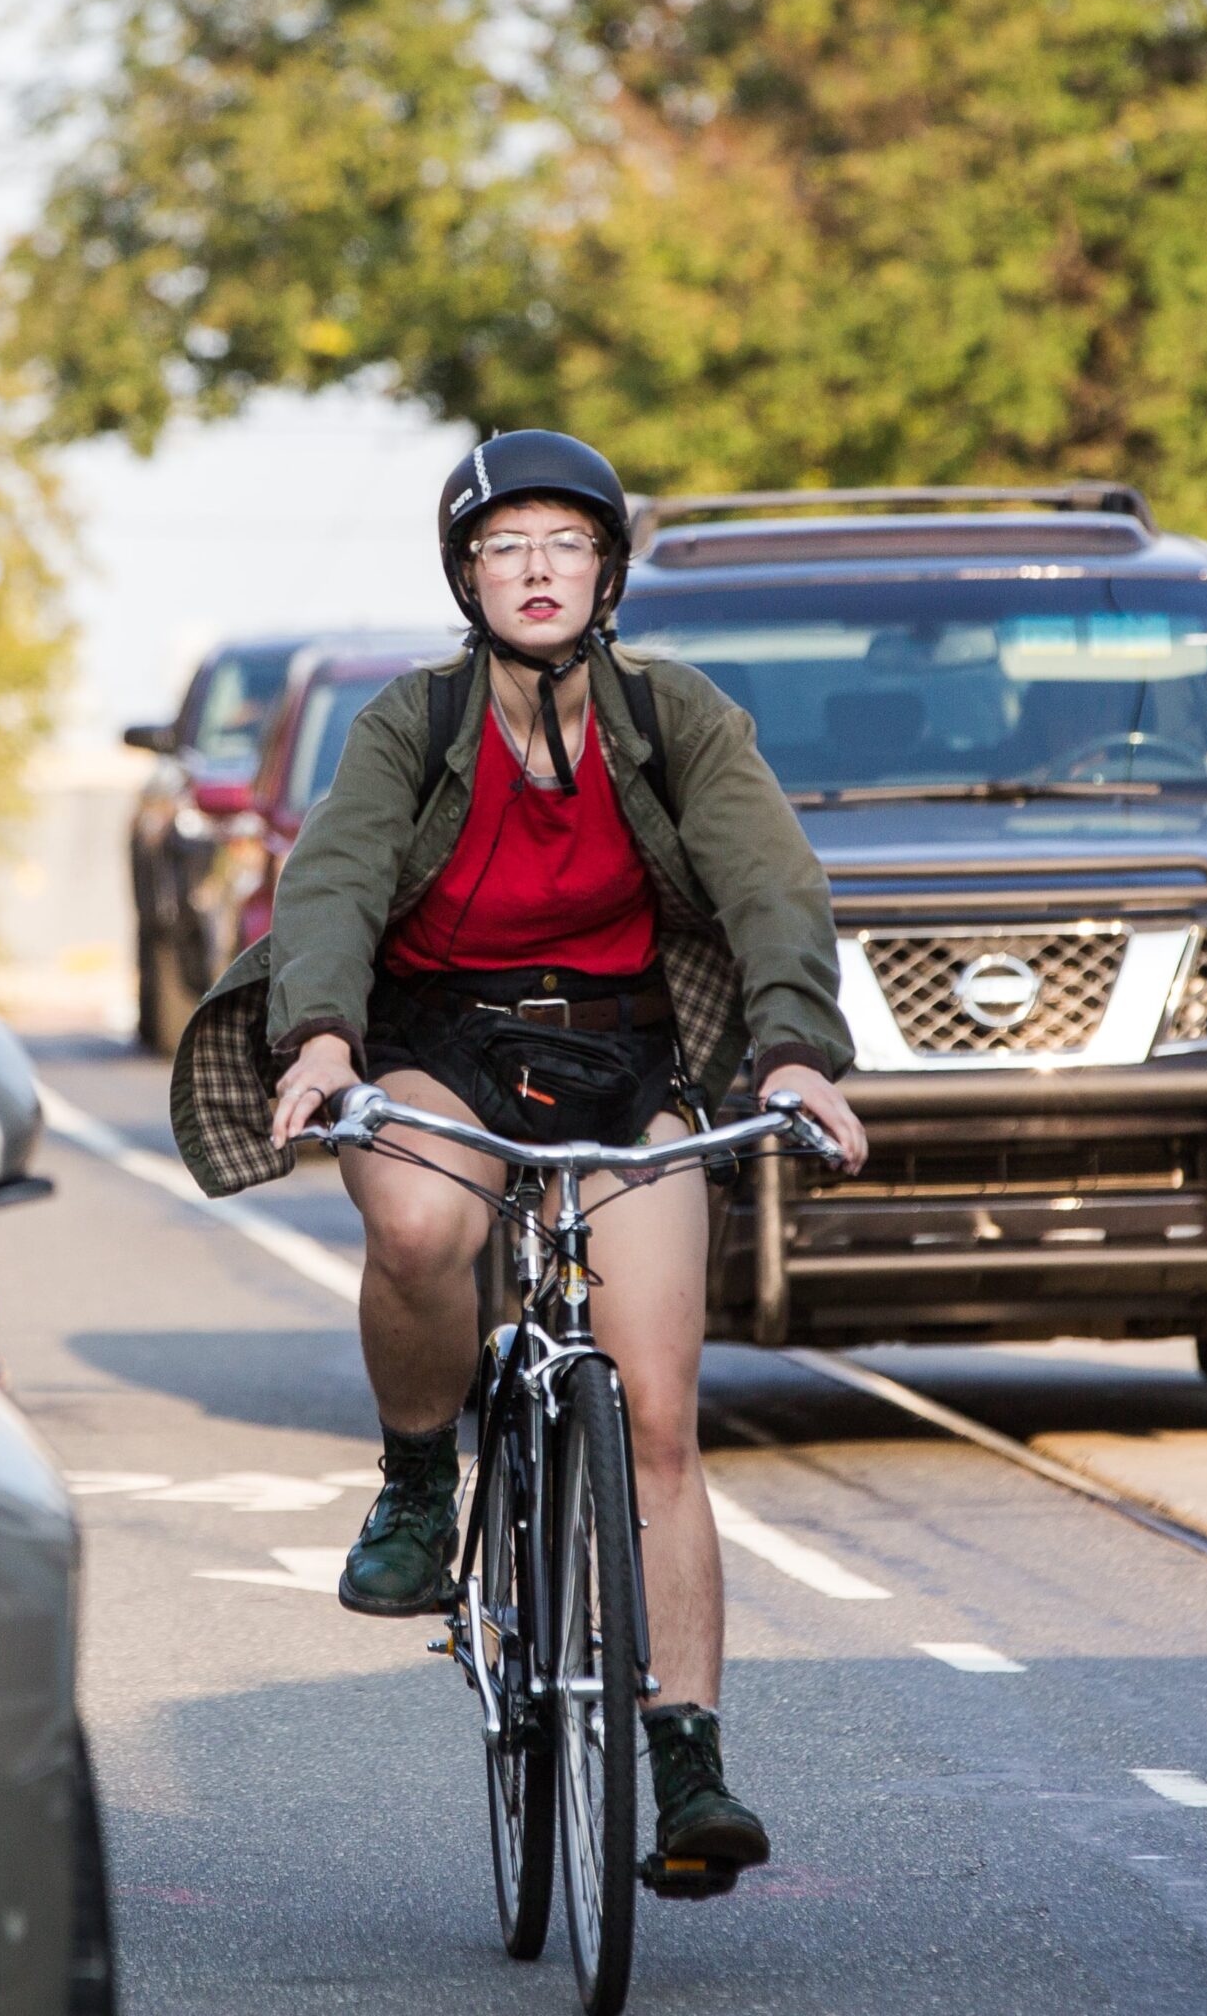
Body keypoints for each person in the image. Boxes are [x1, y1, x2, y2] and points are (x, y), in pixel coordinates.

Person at [169, 430, 866, 1878]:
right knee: (423, 1229)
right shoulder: (412, 724)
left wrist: (795, 1047)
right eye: (505, 548)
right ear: (467, 576)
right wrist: (318, 1040)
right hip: (440, 1031)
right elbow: (338, 880)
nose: (536, 571)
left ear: (605, 570)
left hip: (626, 1049)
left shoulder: (678, 718)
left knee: (661, 1416)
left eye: (564, 545)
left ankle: (687, 1770)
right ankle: (423, 1479)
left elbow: (770, 886)